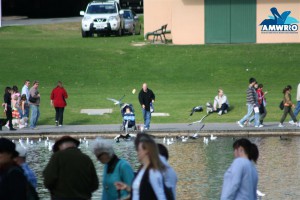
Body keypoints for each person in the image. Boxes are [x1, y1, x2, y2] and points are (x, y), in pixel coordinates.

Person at [43, 135, 99, 200]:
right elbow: (95, 185)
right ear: (75, 145)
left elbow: (48, 181)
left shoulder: (57, 157)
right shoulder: (86, 158)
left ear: (59, 146)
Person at [115, 134, 167, 200]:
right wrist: (126, 187)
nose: (137, 152)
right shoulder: (142, 169)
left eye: (139, 150)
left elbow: (161, 196)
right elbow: (139, 192)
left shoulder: (153, 173)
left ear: (146, 151)